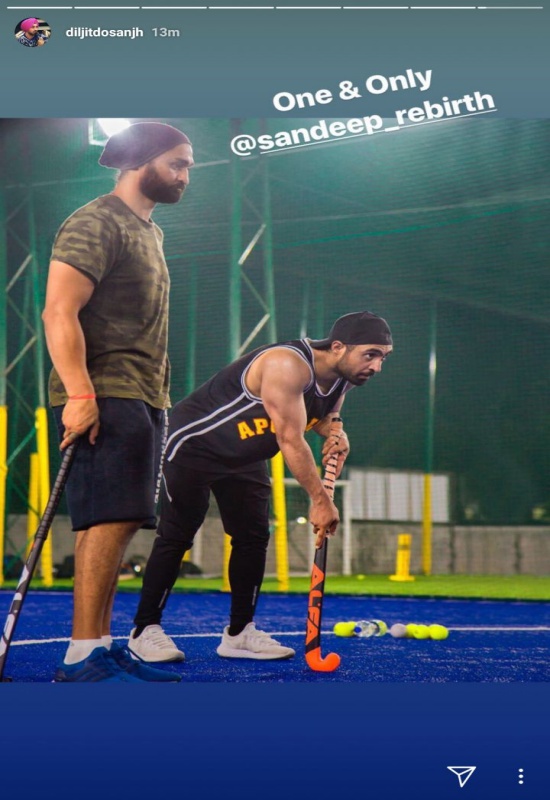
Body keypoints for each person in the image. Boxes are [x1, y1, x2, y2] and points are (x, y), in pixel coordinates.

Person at [128, 311, 393, 663]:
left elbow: (324, 416)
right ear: (339, 347)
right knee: (179, 534)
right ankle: (144, 630)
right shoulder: (286, 365)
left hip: (245, 454)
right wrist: (319, 500)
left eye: (383, 357)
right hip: (195, 446)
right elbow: (290, 437)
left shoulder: (345, 376)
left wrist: (336, 432)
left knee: (253, 537)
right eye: (370, 354)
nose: (376, 367)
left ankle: (239, 634)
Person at [42, 122, 195, 682]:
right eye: (177, 163)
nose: (184, 175)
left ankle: (99, 644)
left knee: (122, 518)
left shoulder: (149, 232)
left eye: (187, 167)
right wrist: (80, 394)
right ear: (142, 161)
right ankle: (84, 651)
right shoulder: (96, 220)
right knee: (107, 519)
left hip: (144, 391)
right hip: (106, 388)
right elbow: (58, 312)